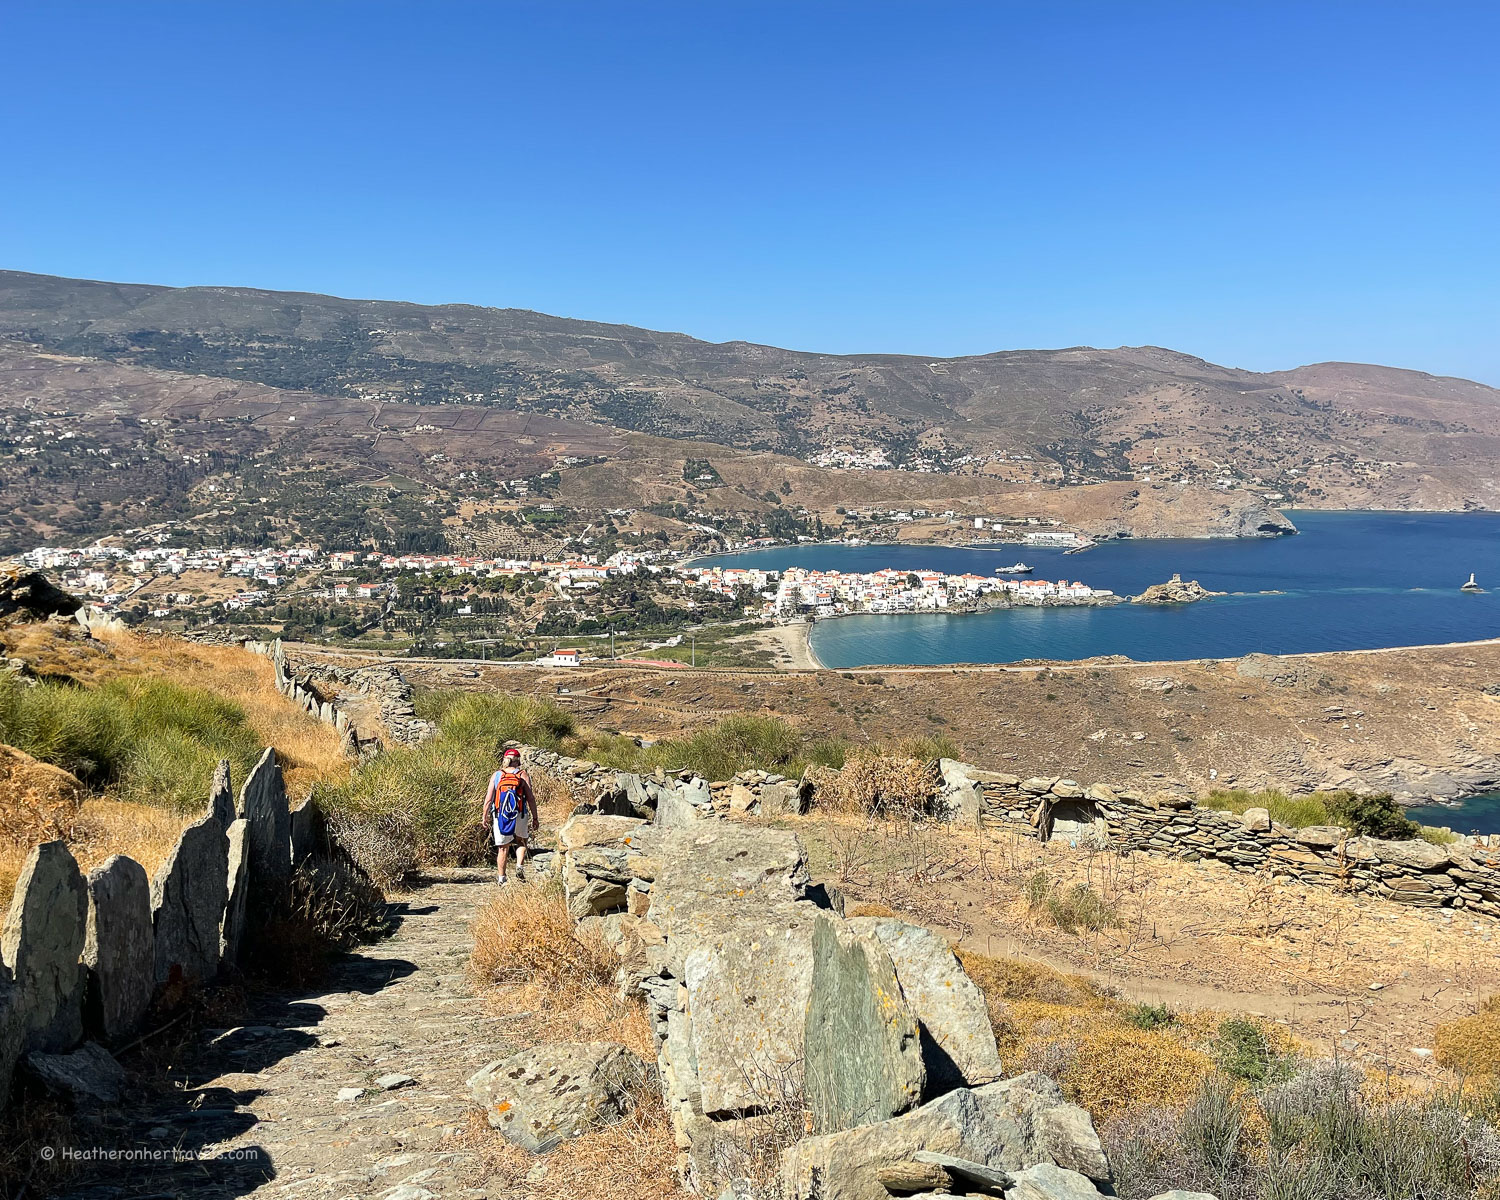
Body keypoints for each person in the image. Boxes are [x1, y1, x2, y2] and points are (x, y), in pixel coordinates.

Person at [483, 747, 538, 886]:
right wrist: (535, 817)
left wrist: (485, 816)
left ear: (504, 760)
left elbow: (489, 799)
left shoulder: (497, 775)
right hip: (519, 813)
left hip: (501, 814)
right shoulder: (522, 774)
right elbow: (530, 798)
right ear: (518, 761)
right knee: (521, 841)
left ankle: (502, 879)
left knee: (503, 847)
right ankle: (519, 866)